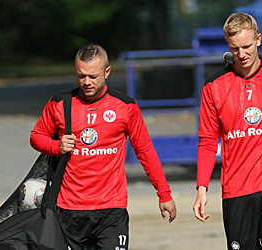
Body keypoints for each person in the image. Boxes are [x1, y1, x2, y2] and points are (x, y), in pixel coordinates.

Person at [30, 43, 177, 250]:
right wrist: (57, 146)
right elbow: (36, 136)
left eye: (93, 76)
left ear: (107, 72)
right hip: (69, 210)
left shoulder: (125, 107)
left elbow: (145, 151)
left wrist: (164, 194)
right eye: (81, 76)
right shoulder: (60, 104)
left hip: (111, 209)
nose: (87, 82)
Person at [192, 12, 262, 250]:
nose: (242, 54)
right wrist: (202, 188)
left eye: (246, 46)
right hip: (237, 190)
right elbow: (207, 142)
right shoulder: (214, 86)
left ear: (258, 40)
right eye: (235, 49)